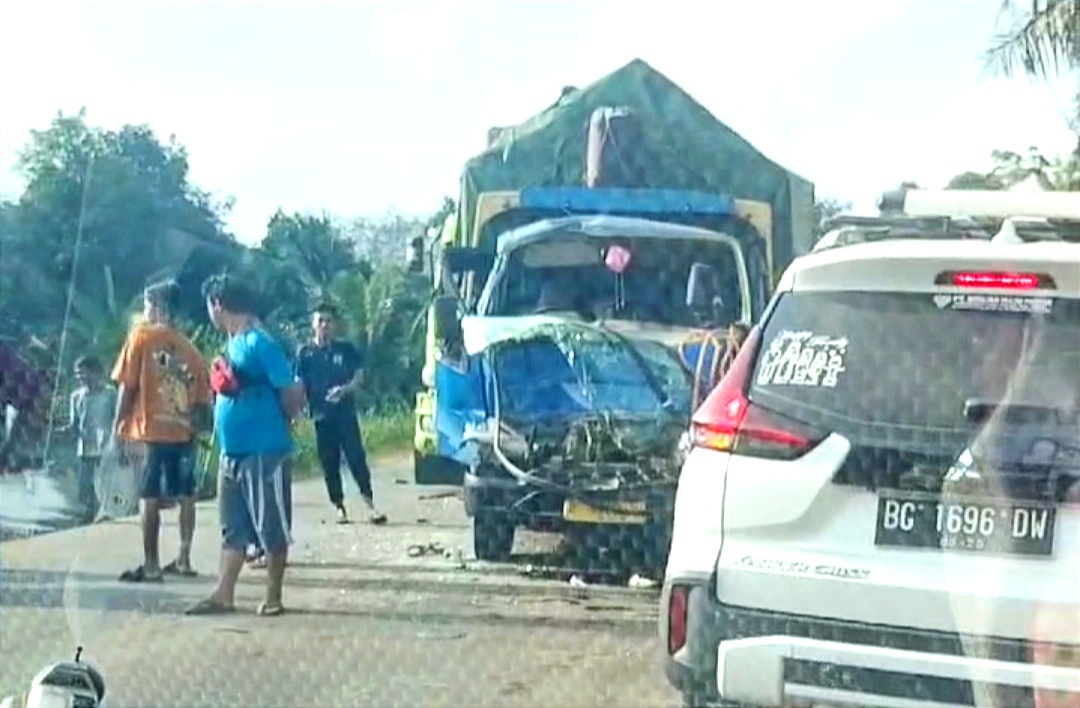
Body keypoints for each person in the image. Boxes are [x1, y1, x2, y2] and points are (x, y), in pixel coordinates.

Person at [186, 273, 305, 617]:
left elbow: (290, 391)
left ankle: (273, 595)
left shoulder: (259, 342)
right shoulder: (232, 342)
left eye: (209, 305)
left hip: (264, 450)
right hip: (232, 451)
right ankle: (224, 594)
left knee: (271, 526)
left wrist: (282, 422)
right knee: (233, 528)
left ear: (218, 304)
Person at [111, 280, 212, 583]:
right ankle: (183, 558)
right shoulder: (191, 350)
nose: (144, 310)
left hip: (150, 431)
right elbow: (201, 402)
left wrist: (118, 425)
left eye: (146, 304)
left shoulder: (140, 337)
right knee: (186, 495)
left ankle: (152, 564)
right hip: (183, 433)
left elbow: (127, 386)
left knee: (149, 496)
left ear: (156, 306)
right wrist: (194, 430)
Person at [295, 302, 386, 525]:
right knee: (329, 462)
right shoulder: (305, 354)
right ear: (313, 325)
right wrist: (299, 407)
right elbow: (298, 382)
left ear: (335, 325)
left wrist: (345, 389)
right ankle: (339, 506)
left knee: (356, 457)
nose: (325, 325)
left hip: (345, 414)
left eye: (329, 321)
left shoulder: (345, 349)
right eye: (320, 321)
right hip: (321, 417)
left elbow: (359, 375)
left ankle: (370, 502)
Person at [59, 356, 117, 521]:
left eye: (83, 373)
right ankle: (88, 515)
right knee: (85, 487)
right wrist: (63, 431)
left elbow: (118, 420)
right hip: (84, 449)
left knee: (103, 486)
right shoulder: (76, 397)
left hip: (106, 449)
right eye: (78, 374)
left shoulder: (110, 394)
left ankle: (103, 515)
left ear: (96, 372)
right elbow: (74, 424)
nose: (80, 378)